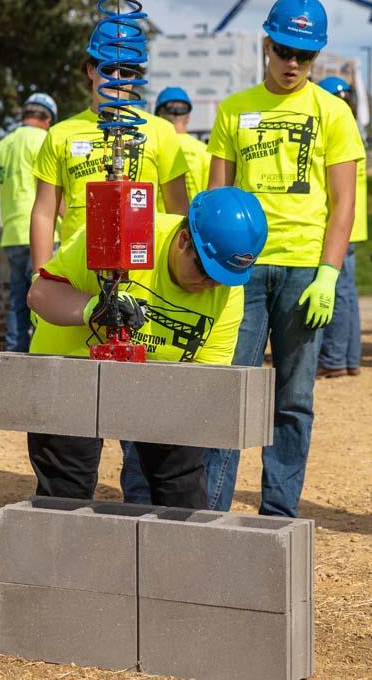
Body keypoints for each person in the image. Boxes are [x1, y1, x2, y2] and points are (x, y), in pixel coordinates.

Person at [202, 0, 362, 518]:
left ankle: (278, 515)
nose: (294, 64)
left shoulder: (334, 113)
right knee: (231, 394)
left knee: (293, 401)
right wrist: (210, 271)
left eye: (306, 55)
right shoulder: (234, 109)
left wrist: (328, 274)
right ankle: (211, 510)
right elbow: (214, 199)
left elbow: (343, 205)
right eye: (286, 50)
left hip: (302, 273)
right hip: (240, 274)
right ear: (267, 44)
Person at [25, 187, 268, 508]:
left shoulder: (228, 294)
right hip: (74, 369)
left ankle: (175, 554)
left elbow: (204, 381)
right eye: (206, 272)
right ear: (183, 240)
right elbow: (40, 295)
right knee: (67, 487)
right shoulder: (123, 238)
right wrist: (94, 309)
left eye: (222, 279)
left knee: (181, 483)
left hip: (158, 381)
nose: (211, 286)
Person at [30, 24, 190, 505]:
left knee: (151, 430)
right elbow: (43, 210)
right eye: (109, 69)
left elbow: (180, 213)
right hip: (77, 283)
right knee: (70, 428)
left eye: (131, 71)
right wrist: (41, 281)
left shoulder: (160, 134)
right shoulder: (62, 135)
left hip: (144, 292)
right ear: (88, 70)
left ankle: (142, 523)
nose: (119, 80)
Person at [0, 92, 59, 352]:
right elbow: (58, 192)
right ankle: (44, 353)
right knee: (47, 298)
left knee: (17, 300)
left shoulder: (3, 145)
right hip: (45, 237)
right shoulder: (47, 140)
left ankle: (15, 355)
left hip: (12, 236)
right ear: (47, 119)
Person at [315, 76, 367, 379]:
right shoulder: (350, 129)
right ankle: (349, 357)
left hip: (339, 224)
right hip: (352, 224)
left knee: (339, 293)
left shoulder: (335, 129)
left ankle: (334, 358)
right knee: (348, 292)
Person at [154, 86, 211, 201]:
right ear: (188, 117)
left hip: (158, 218)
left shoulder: (153, 148)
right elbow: (211, 194)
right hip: (195, 217)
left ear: (159, 116)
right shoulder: (204, 151)